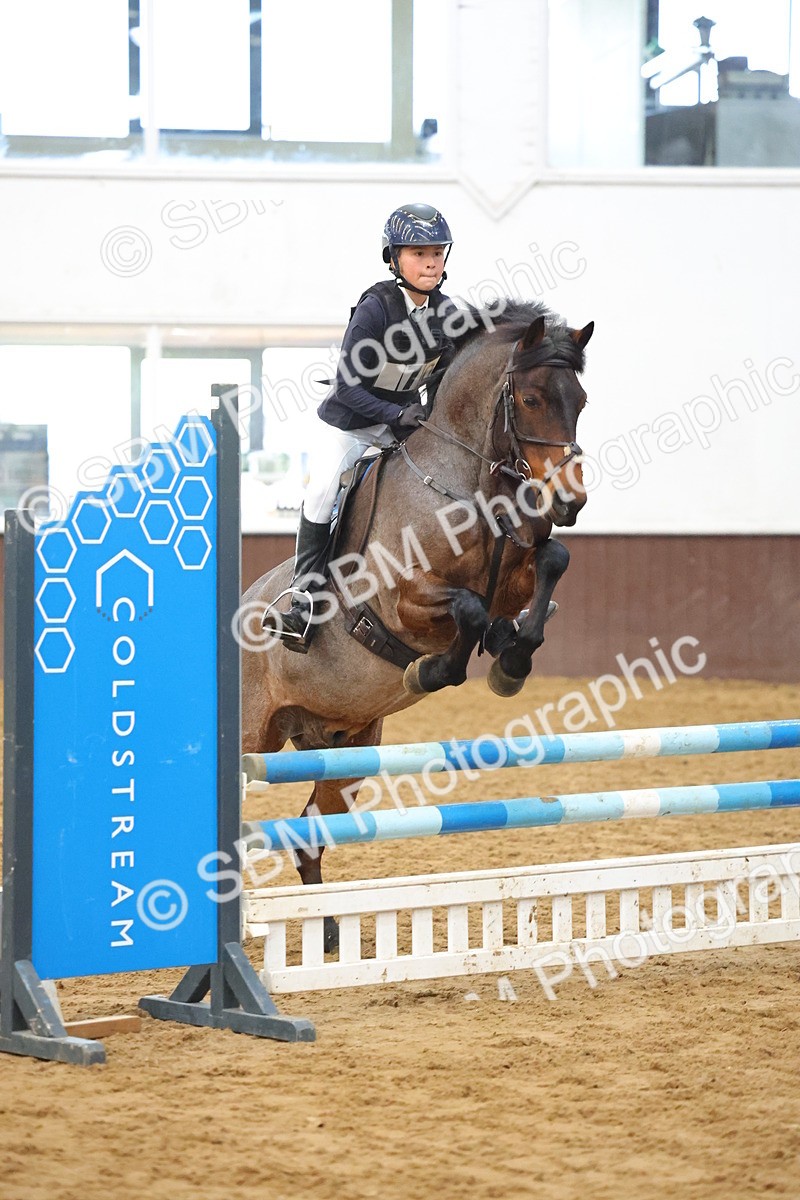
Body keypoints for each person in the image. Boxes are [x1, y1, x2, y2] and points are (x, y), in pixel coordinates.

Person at [262, 202, 459, 651]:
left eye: (437, 252)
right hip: (350, 425)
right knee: (322, 490)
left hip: (402, 424)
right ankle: (301, 602)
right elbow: (348, 389)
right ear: (394, 259)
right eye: (417, 252)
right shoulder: (375, 309)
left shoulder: (447, 314)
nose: (430, 262)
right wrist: (396, 415)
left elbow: (447, 378)